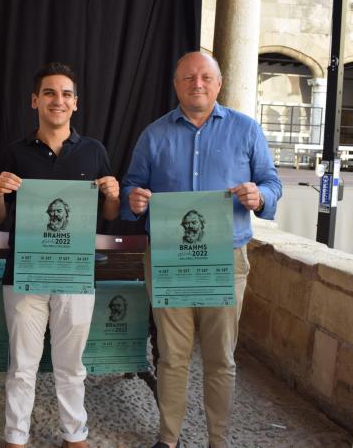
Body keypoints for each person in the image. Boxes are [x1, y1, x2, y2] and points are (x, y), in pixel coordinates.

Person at [121, 51, 282, 448]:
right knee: (172, 356)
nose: (197, 84)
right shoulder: (154, 135)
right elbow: (131, 188)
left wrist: (259, 196)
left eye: (206, 77)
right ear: (176, 85)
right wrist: (134, 200)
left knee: (221, 358)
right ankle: (168, 439)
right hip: (168, 259)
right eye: (188, 78)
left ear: (219, 83)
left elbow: (272, 183)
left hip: (225, 259)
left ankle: (218, 441)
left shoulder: (246, 130)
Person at [0, 62, 120, 448]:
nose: (57, 100)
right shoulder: (15, 152)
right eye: (49, 93)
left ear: (75, 103)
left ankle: (74, 434)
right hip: (24, 274)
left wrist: (113, 195)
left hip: (75, 275)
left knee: (71, 365)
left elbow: (109, 216)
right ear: (35, 101)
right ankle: (16, 436)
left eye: (65, 94)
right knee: (22, 364)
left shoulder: (94, 152)